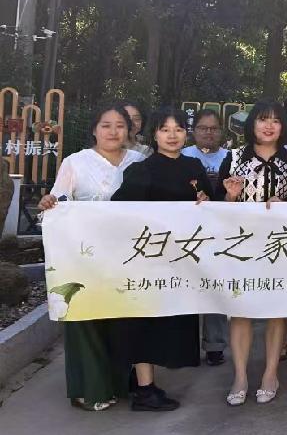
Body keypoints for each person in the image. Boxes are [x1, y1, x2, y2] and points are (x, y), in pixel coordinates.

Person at [38, 104, 146, 411]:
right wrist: (49, 203)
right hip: (81, 256)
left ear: (129, 131)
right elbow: (59, 200)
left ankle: (118, 383)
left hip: (127, 256)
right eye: (105, 125)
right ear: (94, 130)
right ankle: (88, 390)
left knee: (120, 321)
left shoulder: (139, 162)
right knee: (84, 318)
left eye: (120, 125)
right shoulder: (76, 162)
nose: (113, 131)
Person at [111, 107, 211, 411]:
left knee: (172, 322)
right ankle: (145, 390)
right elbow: (118, 209)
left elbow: (212, 206)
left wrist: (206, 201)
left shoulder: (194, 166)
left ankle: (142, 383)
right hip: (148, 262)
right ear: (154, 134)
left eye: (178, 129)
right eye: (165, 129)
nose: (172, 135)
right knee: (144, 322)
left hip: (182, 262)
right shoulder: (142, 170)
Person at [215, 100, 287, 406]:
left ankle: (270, 373)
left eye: (275, 120)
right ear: (252, 124)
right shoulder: (234, 157)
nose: (269, 126)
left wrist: (286, 205)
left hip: (280, 245)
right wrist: (230, 196)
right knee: (241, 310)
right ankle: (240, 376)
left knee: (276, 310)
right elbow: (215, 207)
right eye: (263, 119)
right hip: (241, 245)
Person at [181, 108, 229, 366]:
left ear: (221, 131)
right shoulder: (183, 155)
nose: (208, 133)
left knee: (215, 289)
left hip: (220, 233)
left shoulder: (231, 157)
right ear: (194, 131)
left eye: (213, 128)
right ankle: (185, 347)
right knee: (187, 288)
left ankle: (215, 346)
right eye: (203, 128)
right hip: (187, 233)